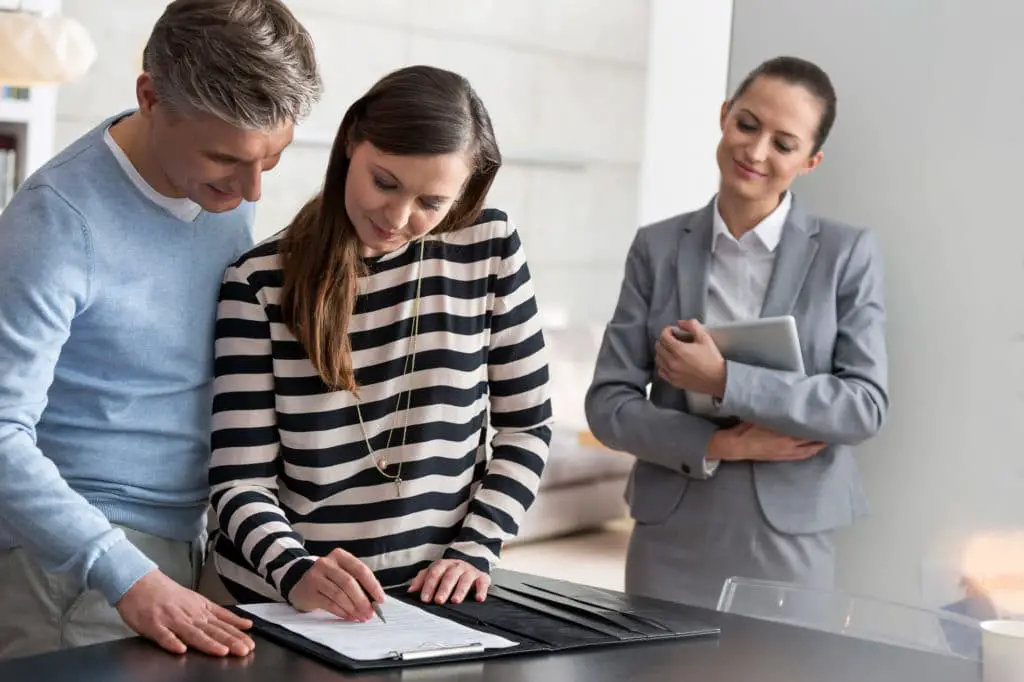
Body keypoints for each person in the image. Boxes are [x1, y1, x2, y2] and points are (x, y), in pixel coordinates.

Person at [0, 0, 321, 659]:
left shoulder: (218, 190)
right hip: (76, 572)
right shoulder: (56, 222)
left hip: (189, 544)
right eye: (227, 158)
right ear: (150, 96)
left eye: (274, 158)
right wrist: (124, 574)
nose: (254, 190)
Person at [200, 64, 553, 622]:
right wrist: (296, 572)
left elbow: (527, 426)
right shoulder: (260, 282)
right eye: (384, 182)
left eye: (430, 202)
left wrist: (476, 548)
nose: (397, 217)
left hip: (435, 601)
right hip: (283, 604)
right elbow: (240, 481)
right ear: (350, 146)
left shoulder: (490, 246)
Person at [585, 56, 889, 609]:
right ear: (725, 117)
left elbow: (863, 406)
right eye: (747, 125)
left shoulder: (846, 254)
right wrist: (719, 443)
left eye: (783, 143)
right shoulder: (657, 248)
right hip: (671, 533)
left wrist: (726, 378)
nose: (755, 152)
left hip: (788, 539)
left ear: (810, 160)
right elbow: (607, 404)